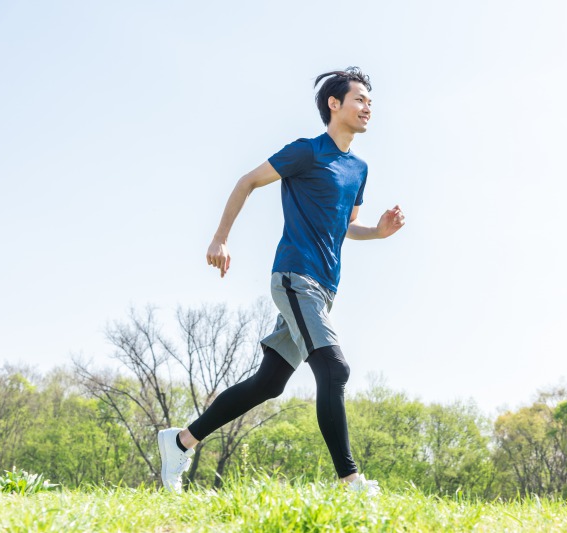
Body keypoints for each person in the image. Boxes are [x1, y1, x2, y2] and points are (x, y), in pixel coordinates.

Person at [157, 67, 405, 495]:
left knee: (268, 383)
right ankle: (350, 480)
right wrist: (220, 238)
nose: (368, 108)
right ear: (334, 104)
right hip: (295, 276)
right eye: (360, 99)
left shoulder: (358, 168)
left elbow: (348, 226)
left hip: (324, 289)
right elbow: (248, 181)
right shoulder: (306, 152)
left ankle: (180, 442)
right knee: (334, 367)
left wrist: (378, 233)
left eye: (370, 103)